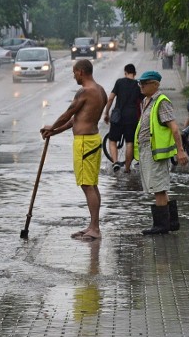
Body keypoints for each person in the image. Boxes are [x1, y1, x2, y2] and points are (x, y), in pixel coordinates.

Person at [41, 59, 107, 241]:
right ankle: (93, 226)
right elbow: (75, 120)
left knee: (87, 185)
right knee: (91, 184)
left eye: (74, 72)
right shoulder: (100, 90)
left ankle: (95, 228)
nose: (73, 76)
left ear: (81, 72)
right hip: (91, 140)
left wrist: (51, 126)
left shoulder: (86, 91)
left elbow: (67, 114)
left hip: (85, 142)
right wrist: (53, 131)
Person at [135, 71, 189, 234]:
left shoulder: (161, 101)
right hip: (148, 151)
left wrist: (180, 151)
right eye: (140, 83)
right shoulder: (146, 101)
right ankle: (171, 222)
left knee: (158, 187)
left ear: (156, 85)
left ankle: (161, 226)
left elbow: (174, 128)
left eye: (145, 83)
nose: (141, 86)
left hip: (156, 153)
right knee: (160, 187)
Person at [103, 63, 141, 173]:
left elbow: (110, 99)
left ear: (125, 72)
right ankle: (127, 169)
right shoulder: (138, 85)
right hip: (132, 116)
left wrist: (106, 113)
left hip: (118, 116)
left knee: (112, 140)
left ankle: (115, 162)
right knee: (130, 142)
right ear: (135, 74)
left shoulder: (119, 82)